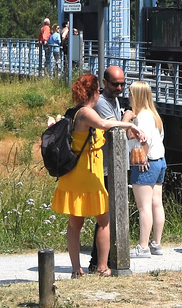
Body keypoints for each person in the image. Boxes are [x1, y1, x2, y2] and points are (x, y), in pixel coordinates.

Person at [51, 74, 143, 278]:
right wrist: (130, 124)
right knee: (104, 221)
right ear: (94, 92)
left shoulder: (74, 112)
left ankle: (77, 270)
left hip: (74, 175)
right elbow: (105, 124)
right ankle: (102, 267)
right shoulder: (86, 112)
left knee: (75, 224)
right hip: (88, 175)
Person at [87, 65, 135, 273]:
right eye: (115, 84)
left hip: (115, 164)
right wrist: (128, 118)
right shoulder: (101, 103)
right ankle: (97, 263)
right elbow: (114, 127)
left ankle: (102, 260)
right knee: (104, 217)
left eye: (123, 84)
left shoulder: (113, 99)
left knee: (111, 216)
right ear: (104, 83)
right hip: (104, 167)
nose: (120, 88)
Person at [126, 82, 166, 259]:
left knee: (144, 207)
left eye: (131, 94)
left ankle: (142, 247)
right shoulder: (154, 115)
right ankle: (156, 243)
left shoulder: (141, 116)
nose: (129, 97)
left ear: (137, 96)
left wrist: (143, 156)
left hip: (146, 162)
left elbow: (145, 140)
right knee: (157, 203)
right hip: (160, 161)